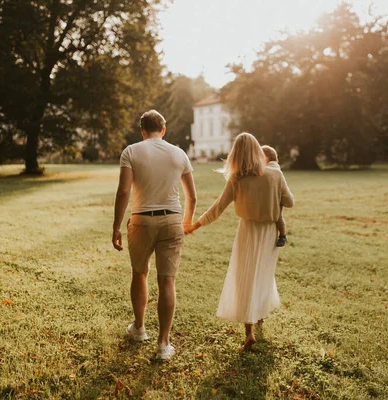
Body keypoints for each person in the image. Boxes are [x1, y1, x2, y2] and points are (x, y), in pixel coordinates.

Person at [186, 132, 294, 351]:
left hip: (247, 231)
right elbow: (289, 202)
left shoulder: (237, 178)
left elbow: (218, 207)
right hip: (270, 233)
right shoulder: (275, 173)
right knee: (263, 273)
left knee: (246, 277)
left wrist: (195, 225)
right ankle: (260, 315)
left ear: (236, 154)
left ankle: (250, 333)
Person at [112, 110, 197, 360]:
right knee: (167, 281)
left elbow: (123, 192)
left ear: (142, 130)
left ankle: (139, 329)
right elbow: (192, 196)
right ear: (164, 129)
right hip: (172, 219)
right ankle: (163, 344)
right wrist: (187, 222)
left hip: (141, 220)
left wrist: (117, 226)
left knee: (140, 273)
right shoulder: (179, 153)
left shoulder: (131, 151)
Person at [261, 145, 288, 247]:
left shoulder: (274, 170)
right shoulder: (272, 169)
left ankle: (282, 236)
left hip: (277, 198)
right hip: (271, 197)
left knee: (279, 217)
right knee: (278, 216)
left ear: (266, 157)